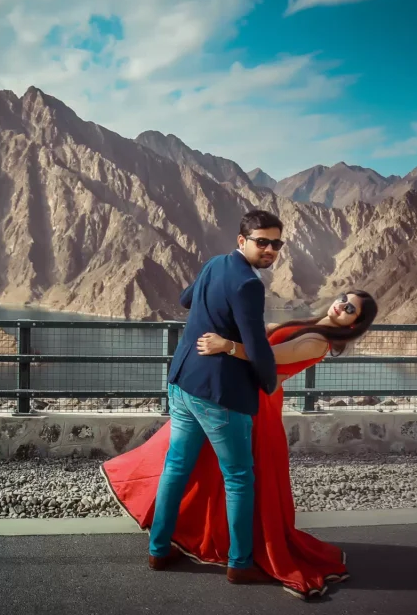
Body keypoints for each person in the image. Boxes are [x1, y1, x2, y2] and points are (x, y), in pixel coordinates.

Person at [102, 288, 379, 600]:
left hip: (255, 405)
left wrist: (225, 345)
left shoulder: (318, 341)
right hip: (243, 395)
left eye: (351, 309)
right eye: (343, 299)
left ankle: (202, 549)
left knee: (224, 475)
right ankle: (216, 548)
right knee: (213, 472)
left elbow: (267, 357)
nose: (342, 306)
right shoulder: (311, 325)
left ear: (355, 324)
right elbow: (262, 337)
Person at [137, 210, 284, 584]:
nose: (269, 249)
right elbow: (256, 347)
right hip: (219, 394)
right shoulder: (249, 285)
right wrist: (270, 383)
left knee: (176, 466)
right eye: (261, 242)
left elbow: (187, 299)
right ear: (242, 241)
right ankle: (240, 563)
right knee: (237, 476)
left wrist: (215, 314)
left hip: (182, 382)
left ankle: (158, 551)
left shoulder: (215, 264)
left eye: (276, 243)